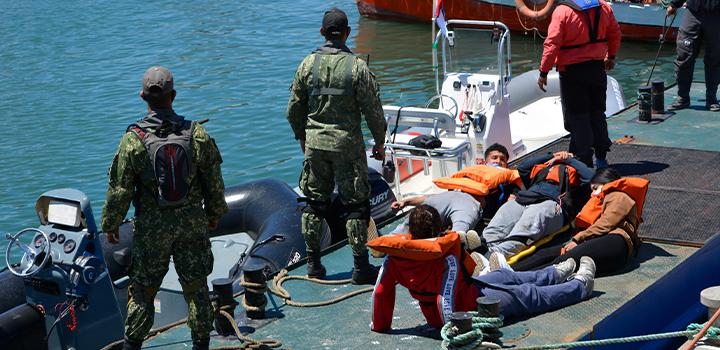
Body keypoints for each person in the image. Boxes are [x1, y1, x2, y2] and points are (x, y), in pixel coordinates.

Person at [101, 66, 228, 350]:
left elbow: (120, 189)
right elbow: (214, 182)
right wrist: (215, 213)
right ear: (174, 95)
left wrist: (111, 225)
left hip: (152, 229)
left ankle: (132, 345)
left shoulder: (133, 140)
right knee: (196, 289)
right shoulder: (197, 134)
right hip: (191, 224)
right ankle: (201, 344)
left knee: (144, 292)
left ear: (142, 96)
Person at [369, 205, 596, 332]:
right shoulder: (444, 258)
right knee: (525, 295)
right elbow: (444, 298)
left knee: (504, 275)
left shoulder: (394, 259)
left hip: (470, 292)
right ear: (438, 228)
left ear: (411, 231)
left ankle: (554, 273)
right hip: (466, 309)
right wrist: (452, 329)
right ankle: (579, 287)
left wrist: (380, 326)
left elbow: (381, 292)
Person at [286, 8, 387, 283]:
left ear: (321, 32)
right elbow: (374, 111)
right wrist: (380, 142)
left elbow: (294, 109)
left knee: (314, 203)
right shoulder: (357, 67)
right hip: (348, 145)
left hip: (315, 145)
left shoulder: (306, 65)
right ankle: (360, 267)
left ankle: (313, 264)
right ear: (347, 33)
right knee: (355, 205)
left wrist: (302, 137)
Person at [513, 168, 647, 275]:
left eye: (595, 188)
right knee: (546, 253)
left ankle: (514, 277)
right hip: (601, 241)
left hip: (617, 242)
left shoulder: (618, 196)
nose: (592, 194)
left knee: (563, 261)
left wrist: (578, 239)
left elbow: (607, 223)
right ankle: (509, 271)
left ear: (607, 183)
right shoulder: (603, 201)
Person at [537, 0, 621, 168]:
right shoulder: (604, 7)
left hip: (572, 72)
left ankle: (584, 162)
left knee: (578, 117)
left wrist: (543, 71)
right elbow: (615, 33)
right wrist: (611, 56)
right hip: (597, 68)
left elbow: (552, 43)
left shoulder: (562, 11)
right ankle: (602, 157)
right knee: (597, 112)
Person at [463, 151, 594, 258]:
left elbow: (591, 177)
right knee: (504, 213)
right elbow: (522, 167)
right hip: (524, 200)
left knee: (526, 225)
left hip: (551, 204)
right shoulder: (543, 167)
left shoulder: (576, 172)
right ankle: (481, 245)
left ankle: (493, 255)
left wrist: (569, 159)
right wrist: (552, 156)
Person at [389, 144, 516, 234]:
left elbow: (511, 205)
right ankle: (385, 242)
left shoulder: (508, 182)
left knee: (458, 232)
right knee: (413, 219)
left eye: (502, 159)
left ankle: (449, 242)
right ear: (484, 162)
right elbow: (431, 198)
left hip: (469, 204)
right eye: (494, 158)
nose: (498, 161)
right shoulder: (470, 173)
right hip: (445, 198)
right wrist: (406, 202)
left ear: (507, 165)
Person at [666, 0, 720, 111]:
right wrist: (675, 4)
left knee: (714, 58)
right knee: (684, 54)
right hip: (693, 12)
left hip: (716, 14)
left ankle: (712, 99)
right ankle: (683, 97)